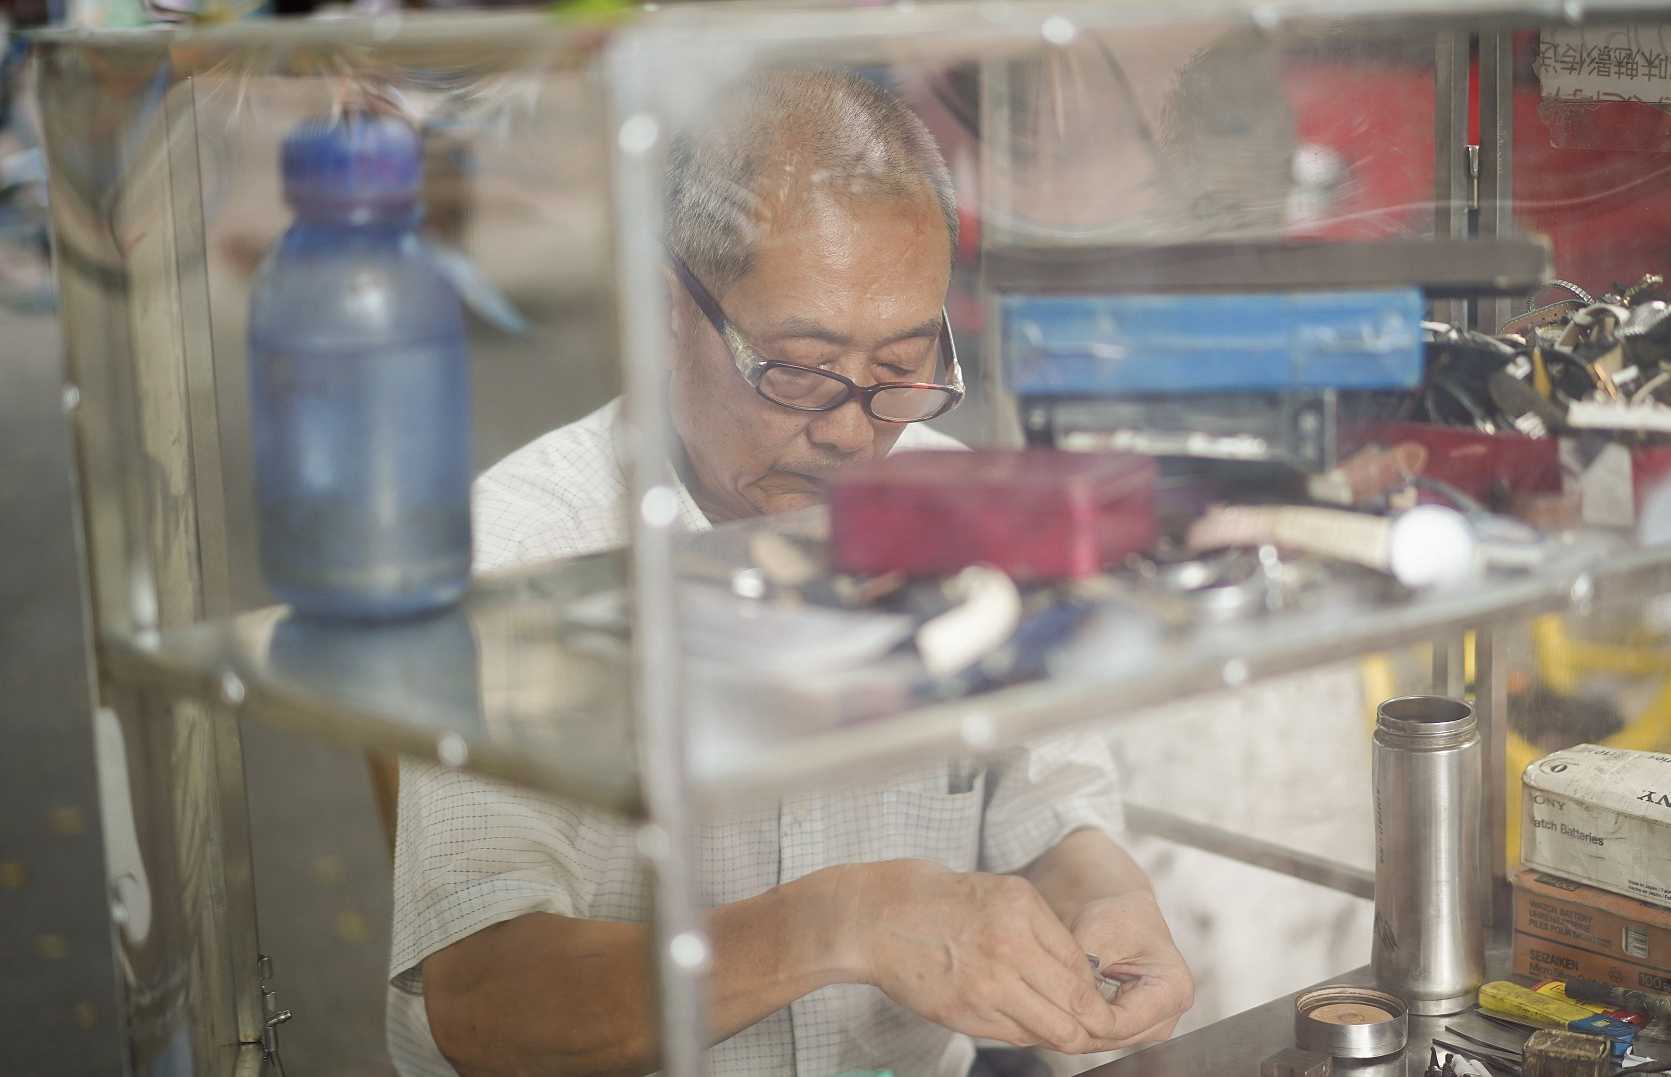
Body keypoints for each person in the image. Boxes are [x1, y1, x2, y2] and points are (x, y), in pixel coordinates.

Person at [386, 69, 1193, 1077]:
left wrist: (1105, 896)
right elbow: (485, 1000)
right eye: (800, 371)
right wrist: (839, 922)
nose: (853, 434)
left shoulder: (963, 507)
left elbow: (1049, 807)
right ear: (662, 309)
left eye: (900, 368)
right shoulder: (520, 547)